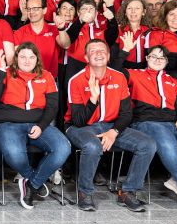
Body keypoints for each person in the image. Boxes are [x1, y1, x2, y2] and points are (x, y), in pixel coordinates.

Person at [113, 42, 177, 206]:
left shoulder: (174, 81)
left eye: (162, 58)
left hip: (172, 122)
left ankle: (176, 180)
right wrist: (124, 51)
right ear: (146, 58)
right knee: (167, 141)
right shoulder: (135, 74)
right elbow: (113, 72)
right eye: (153, 56)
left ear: (167, 62)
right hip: (145, 122)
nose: (157, 60)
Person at [64, 39, 157, 212]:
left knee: (148, 144)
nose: (98, 53)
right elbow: (77, 121)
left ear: (108, 56)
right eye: (93, 51)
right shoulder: (75, 80)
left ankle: (128, 191)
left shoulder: (119, 77)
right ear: (86, 57)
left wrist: (113, 131)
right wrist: (93, 99)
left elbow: (126, 113)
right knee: (92, 146)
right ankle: (85, 192)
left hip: (111, 125)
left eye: (102, 50)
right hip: (81, 127)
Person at [0, 42, 71, 209]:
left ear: (37, 59)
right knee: (15, 152)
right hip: (6, 124)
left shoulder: (46, 76)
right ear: (16, 58)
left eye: (31, 57)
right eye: (23, 56)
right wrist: (1, 69)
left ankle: (32, 185)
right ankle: (31, 177)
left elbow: (53, 106)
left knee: (63, 147)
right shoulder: (6, 73)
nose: (27, 61)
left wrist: (41, 126)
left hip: (38, 123)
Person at [12, 0, 70, 78]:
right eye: (29, 9)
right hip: (26, 81)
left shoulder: (54, 29)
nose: (31, 12)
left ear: (44, 10)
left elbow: (66, 45)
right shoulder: (19, 32)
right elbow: (15, 59)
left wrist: (61, 28)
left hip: (49, 81)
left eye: (35, 8)